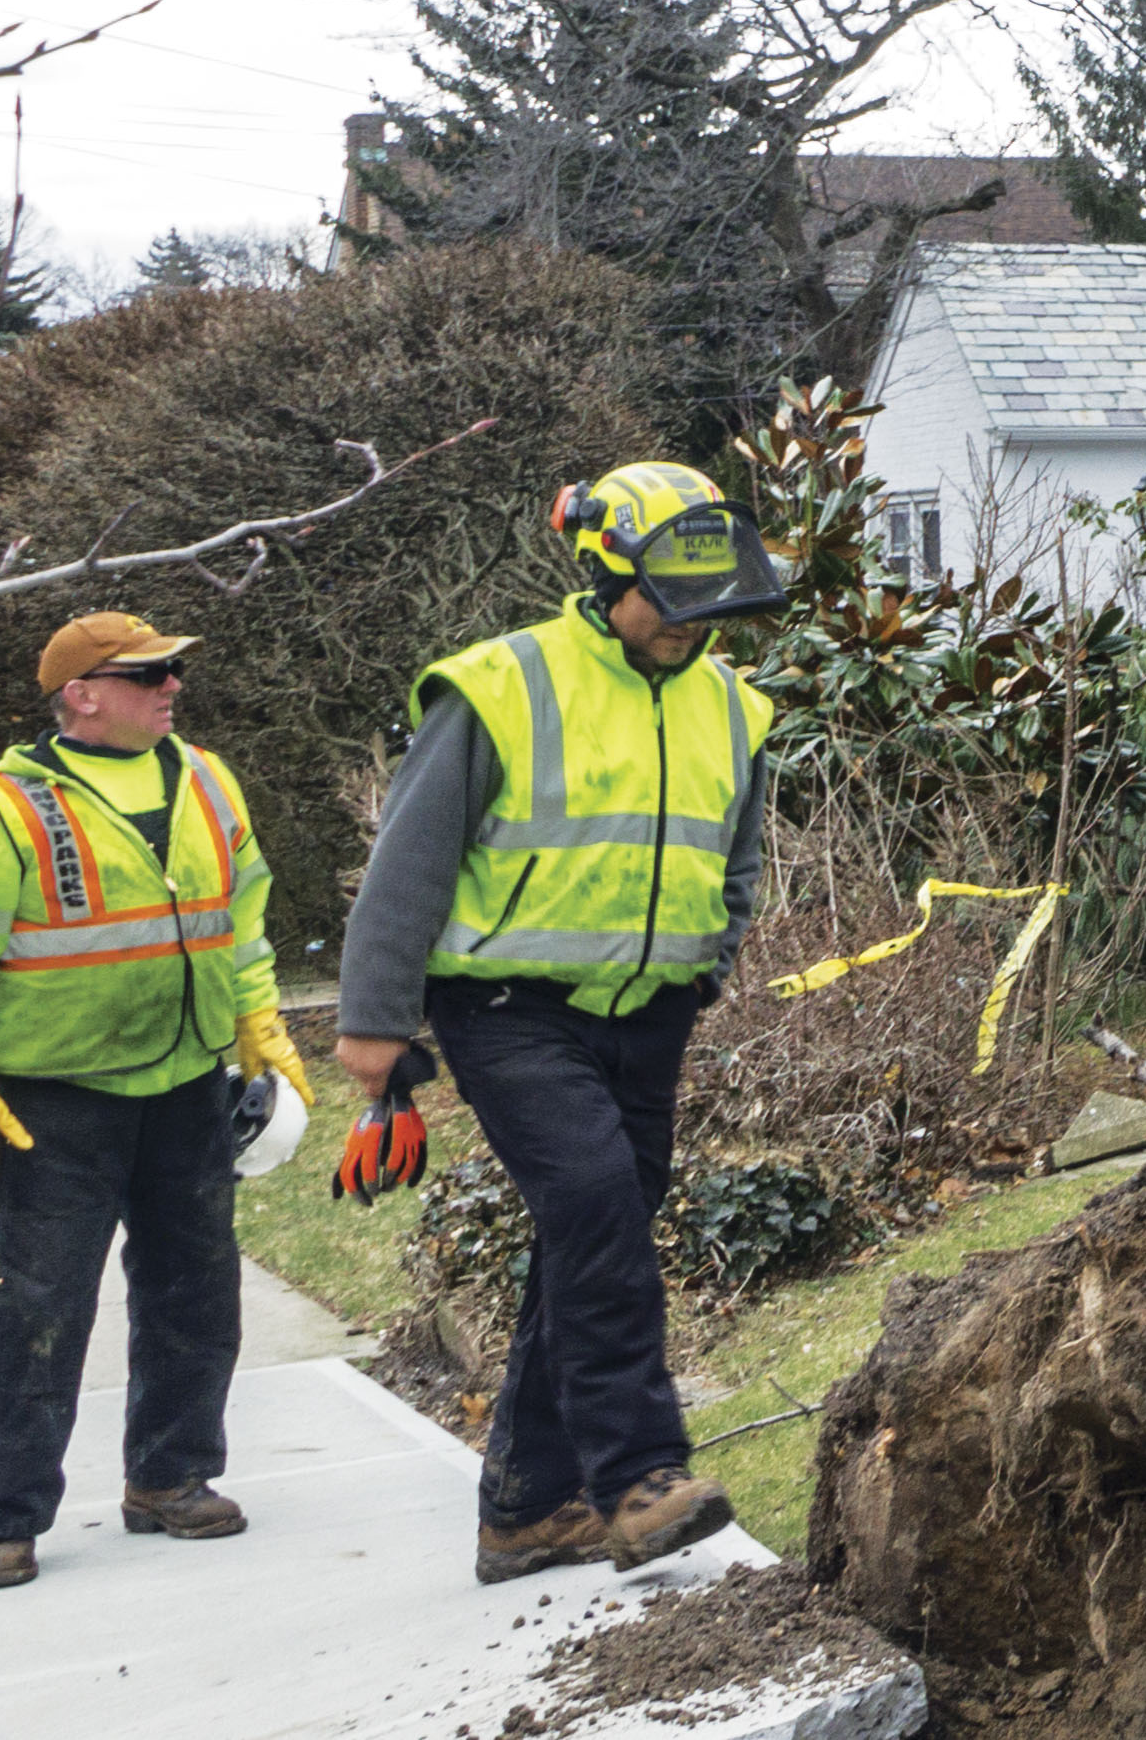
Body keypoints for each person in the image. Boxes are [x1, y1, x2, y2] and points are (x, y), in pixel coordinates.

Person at [338, 462, 787, 1585]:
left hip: (653, 1009)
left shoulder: (735, 704)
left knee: (591, 1232)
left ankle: (527, 1507)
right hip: (506, 1005)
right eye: (671, 602)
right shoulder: (498, 684)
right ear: (604, 570)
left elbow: (736, 859)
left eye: (711, 606)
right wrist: (375, 1017)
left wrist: (708, 965)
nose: (691, 629)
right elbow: (409, 858)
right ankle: (638, 1476)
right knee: (593, 1201)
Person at [0, 609, 308, 1593]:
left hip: (185, 1084)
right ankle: (6, 1517)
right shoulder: (2, 809)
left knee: (196, 1288)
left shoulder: (207, 780)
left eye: (172, 669)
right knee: (41, 1304)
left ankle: (171, 1476)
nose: (171, 685)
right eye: (146, 673)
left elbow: (241, 919)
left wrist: (260, 1022)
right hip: (55, 1101)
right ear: (80, 693)